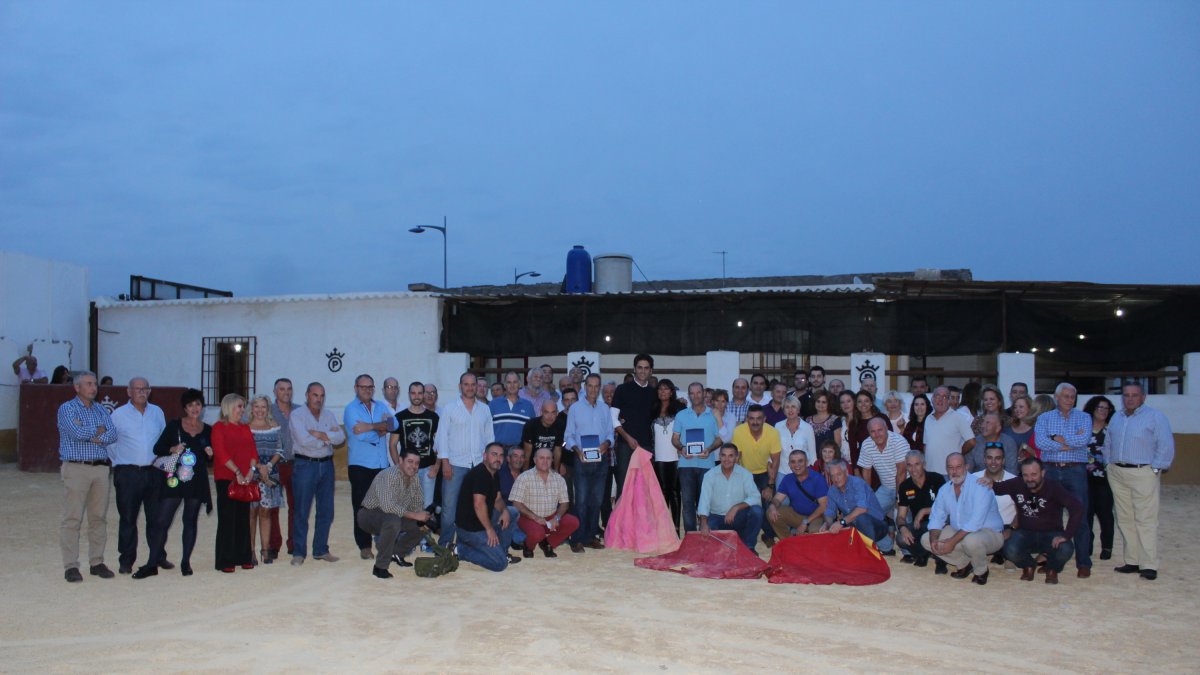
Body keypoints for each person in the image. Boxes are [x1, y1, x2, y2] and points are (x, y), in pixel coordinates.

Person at [134, 388, 212, 579]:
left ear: (202, 407)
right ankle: (152, 563)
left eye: (198, 404)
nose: (195, 408)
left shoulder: (208, 429)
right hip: (174, 480)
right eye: (191, 405)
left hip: (196, 480)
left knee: (190, 521)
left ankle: (185, 562)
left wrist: (210, 454)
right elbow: (157, 448)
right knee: (162, 521)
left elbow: (208, 460)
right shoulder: (174, 426)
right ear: (185, 407)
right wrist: (172, 448)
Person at [1107, 382, 1174, 581]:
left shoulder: (1155, 417)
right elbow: (1109, 442)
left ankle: (1148, 564)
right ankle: (1132, 560)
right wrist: (1108, 464)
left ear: (1143, 397)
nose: (1130, 398)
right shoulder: (1117, 417)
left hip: (1142, 471)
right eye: (1126, 395)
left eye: (1134, 395)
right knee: (1124, 517)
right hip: (1117, 472)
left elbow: (1165, 444)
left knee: (1145, 518)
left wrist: (1155, 468)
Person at [56, 371, 118, 582]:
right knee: (72, 518)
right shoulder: (67, 408)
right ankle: (71, 565)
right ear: (77, 387)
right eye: (88, 384)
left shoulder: (101, 409)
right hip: (76, 468)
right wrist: (97, 432)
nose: (93, 388)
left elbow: (112, 434)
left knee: (98, 517)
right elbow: (76, 433)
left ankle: (96, 561)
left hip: (100, 468)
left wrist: (93, 433)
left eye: (94, 384)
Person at [989, 457, 1084, 585]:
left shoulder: (1054, 487)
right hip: (1025, 532)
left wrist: (1067, 535)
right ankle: (1029, 565)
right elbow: (997, 488)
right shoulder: (1017, 483)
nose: (1029, 479)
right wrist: (987, 482)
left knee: (1066, 548)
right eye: (1025, 475)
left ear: (1043, 473)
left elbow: (1076, 508)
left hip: (1051, 533)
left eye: (1034, 474)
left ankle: (1052, 569)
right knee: (1009, 547)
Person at [108, 377, 168, 574]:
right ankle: (126, 561)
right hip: (128, 474)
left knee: (156, 518)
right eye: (138, 389)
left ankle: (158, 556)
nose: (142, 392)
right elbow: (110, 443)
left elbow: (163, 441)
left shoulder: (157, 412)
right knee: (127, 519)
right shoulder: (118, 415)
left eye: (145, 389)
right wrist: (123, 464)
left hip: (153, 472)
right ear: (129, 392)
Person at [1033, 382, 1094, 578]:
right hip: (1050, 470)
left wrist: (1058, 439)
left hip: (1075, 471)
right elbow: (1041, 443)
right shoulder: (1044, 418)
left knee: (1080, 516)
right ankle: (1052, 560)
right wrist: (1067, 443)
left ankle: (1083, 563)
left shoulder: (1085, 417)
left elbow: (1082, 441)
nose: (1070, 400)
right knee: (1051, 517)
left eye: (1073, 396)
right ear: (1056, 397)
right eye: (1066, 396)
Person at [921, 453, 1004, 584]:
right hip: (961, 532)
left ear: (966, 467)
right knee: (926, 539)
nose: (954, 471)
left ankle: (981, 571)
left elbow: (975, 523)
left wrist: (951, 542)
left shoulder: (980, 486)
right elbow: (936, 517)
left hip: (989, 533)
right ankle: (964, 564)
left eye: (958, 467)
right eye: (950, 467)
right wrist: (934, 540)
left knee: (971, 540)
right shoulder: (944, 490)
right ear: (946, 469)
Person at [289, 382, 346, 565]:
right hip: (305, 465)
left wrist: (320, 434)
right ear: (307, 395)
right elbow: (303, 441)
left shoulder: (328, 415)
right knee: (301, 510)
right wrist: (327, 438)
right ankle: (299, 552)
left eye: (321, 396)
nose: (318, 399)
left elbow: (341, 438)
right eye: (315, 395)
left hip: (326, 466)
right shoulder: (297, 415)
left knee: (326, 510)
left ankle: (321, 549)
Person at [434, 372, 494, 547]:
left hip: (479, 466)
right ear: (460, 387)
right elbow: (442, 437)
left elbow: (490, 437)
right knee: (449, 509)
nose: (470, 387)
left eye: (473, 384)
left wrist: (488, 464)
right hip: (455, 465)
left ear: (477, 386)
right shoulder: (450, 408)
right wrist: (445, 462)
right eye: (466, 384)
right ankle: (445, 544)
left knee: (473, 507)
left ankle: (467, 543)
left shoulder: (485, 409)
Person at [344, 374, 398, 560]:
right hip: (360, 465)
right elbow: (360, 436)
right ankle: (364, 545)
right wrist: (380, 429)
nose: (367, 389)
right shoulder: (350, 409)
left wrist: (371, 426)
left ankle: (382, 540)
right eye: (363, 386)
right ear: (356, 387)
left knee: (383, 505)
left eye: (370, 386)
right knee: (361, 506)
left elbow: (394, 424)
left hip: (381, 464)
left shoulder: (381, 406)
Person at [357, 449, 430, 578]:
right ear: (400, 460)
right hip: (369, 515)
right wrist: (414, 515)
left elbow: (417, 503)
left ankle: (397, 554)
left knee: (422, 526)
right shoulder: (388, 475)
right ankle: (380, 567)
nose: (413, 466)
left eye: (417, 463)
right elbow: (387, 506)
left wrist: (423, 518)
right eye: (410, 462)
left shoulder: (414, 478)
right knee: (393, 521)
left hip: (395, 514)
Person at [565, 373, 614, 553]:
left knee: (597, 500)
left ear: (599, 388)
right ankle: (576, 538)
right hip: (582, 461)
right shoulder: (575, 408)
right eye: (590, 386)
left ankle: (590, 536)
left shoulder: (604, 409)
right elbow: (568, 436)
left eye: (596, 386)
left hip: (601, 462)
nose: (593, 389)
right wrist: (577, 451)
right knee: (582, 501)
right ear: (585, 387)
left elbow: (610, 433)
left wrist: (606, 444)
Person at [210, 393, 258, 573]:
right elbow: (221, 454)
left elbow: (253, 452)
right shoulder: (218, 428)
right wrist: (237, 472)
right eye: (239, 406)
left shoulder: (245, 428)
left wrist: (250, 472)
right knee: (227, 519)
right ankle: (225, 559)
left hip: (245, 479)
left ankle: (243, 557)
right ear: (229, 407)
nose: (242, 410)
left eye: (243, 406)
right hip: (226, 478)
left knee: (242, 518)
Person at [455, 442, 521, 571]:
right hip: (470, 530)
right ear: (485, 456)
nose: (498, 459)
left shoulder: (494, 473)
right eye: (494, 454)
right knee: (500, 564)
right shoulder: (480, 474)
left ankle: (502, 551)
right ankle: (461, 550)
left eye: (501, 455)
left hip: (483, 520)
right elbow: (478, 504)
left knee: (512, 512)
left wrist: (504, 510)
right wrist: (489, 529)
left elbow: (497, 499)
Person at [511, 447, 579, 558]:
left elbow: (564, 504)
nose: (545, 461)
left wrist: (556, 518)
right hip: (528, 517)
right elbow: (516, 504)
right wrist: (534, 517)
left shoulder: (559, 479)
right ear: (534, 460)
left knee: (573, 522)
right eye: (541, 458)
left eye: (548, 458)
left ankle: (548, 543)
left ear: (552, 460)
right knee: (537, 533)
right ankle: (528, 546)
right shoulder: (524, 477)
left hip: (551, 517)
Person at [672, 382, 722, 532]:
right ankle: (690, 537)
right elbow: (674, 438)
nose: (695, 396)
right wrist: (681, 448)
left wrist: (709, 449)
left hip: (707, 464)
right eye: (692, 393)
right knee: (687, 504)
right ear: (688, 395)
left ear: (703, 393)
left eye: (698, 392)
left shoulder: (713, 415)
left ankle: (705, 534)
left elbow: (720, 438)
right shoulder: (681, 415)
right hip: (686, 465)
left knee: (705, 503)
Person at [698, 444, 764, 553]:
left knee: (757, 511)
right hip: (717, 517)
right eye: (723, 455)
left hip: (738, 517)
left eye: (730, 456)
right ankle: (733, 539)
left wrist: (736, 507)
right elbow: (704, 501)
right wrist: (703, 523)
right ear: (719, 456)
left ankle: (749, 547)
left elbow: (756, 497)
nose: (726, 459)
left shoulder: (745, 474)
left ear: (736, 457)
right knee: (710, 546)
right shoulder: (709, 475)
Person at [856, 416, 908, 554]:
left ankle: (908, 551)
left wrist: (899, 498)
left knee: (903, 517)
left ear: (887, 429)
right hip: (885, 487)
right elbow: (866, 472)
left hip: (905, 486)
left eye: (880, 430)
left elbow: (901, 473)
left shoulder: (898, 442)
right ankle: (886, 546)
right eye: (873, 431)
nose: (877, 434)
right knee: (867, 514)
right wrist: (868, 498)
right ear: (869, 433)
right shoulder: (867, 444)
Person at [732, 405, 782, 546]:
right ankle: (743, 537)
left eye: (759, 418)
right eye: (751, 418)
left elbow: (775, 460)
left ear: (764, 419)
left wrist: (770, 486)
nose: (755, 422)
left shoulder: (773, 432)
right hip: (745, 473)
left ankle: (769, 535)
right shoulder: (738, 432)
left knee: (768, 503)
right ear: (747, 419)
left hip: (765, 472)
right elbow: (736, 458)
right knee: (746, 506)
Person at [612, 354, 657, 505]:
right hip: (626, 446)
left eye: (646, 368)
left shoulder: (653, 393)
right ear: (634, 369)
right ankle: (619, 527)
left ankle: (642, 526)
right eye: (640, 368)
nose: (643, 371)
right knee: (624, 487)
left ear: (651, 371)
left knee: (644, 490)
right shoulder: (622, 389)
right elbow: (613, 419)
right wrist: (627, 437)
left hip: (646, 447)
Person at [820, 459, 891, 552]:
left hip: (876, 523)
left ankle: (869, 550)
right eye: (832, 476)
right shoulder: (832, 490)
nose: (836, 479)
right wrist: (827, 524)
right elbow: (829, 512)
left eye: (839, 474)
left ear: (846, 472)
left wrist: (841, 523)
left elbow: (862, 509)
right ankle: (859, 549)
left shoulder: (857, 483)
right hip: (853, 525)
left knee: (860, 518)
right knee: (833, 525)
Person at [390, 382, 439, 510]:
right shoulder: (399, 417)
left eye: (419, 393)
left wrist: (436, 466)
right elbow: (392, 444)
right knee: (407, 506)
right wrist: (398, 467)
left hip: (429, 468)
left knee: (428, 506)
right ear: (408, 395)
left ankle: (426, 530)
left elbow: (440, 444)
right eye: (413, 393)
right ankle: (409, 530)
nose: (416, 396)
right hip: (408, 470)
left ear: (423, 394)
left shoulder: (433, 417)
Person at [247, 395, 284, 565]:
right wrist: (258, 467)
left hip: (270, 473)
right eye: (257, 406)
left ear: (267, 409)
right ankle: (250, 551)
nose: (260, 410)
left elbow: (279, 450)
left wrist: (268, 466)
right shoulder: (245, 427)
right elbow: (243, 451)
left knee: (266, 512)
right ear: (251, 408)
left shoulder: (275, 426)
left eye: (263, 407)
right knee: (251, 513)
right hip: (251, 474)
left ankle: (266, 550)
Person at [266, 378, 298, 562]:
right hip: (274, 464)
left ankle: (293, 544)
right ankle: (273, 546)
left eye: (289, 389)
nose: (286, 392)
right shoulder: (267, 411)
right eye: (282, 389)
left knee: (296, 506)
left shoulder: (300, 410)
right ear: (275, 391)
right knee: (273, 507)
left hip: (295, 464)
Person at [1081, 395, 1116, 562]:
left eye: (1106, 408)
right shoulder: (1082, 428)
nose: (1103, 411)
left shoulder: (1112, 430)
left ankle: (1107, 547)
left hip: (1105, 479)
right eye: (1099, 407)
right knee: (1086, 514)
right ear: (1092, 409)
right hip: (1084, 478)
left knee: (1105, 514)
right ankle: (1086, 546)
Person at [896, 451, 945, 567]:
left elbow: (946, 507)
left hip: (939, 523)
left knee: (939, 533)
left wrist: (924, 511)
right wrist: (902, 528)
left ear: (924, 464)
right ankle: (924, 553)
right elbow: (901, 516)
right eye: (909, 465)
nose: (913, 469)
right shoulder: (904, 486)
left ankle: (937, 558)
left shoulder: (937, 479)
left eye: (917, 464)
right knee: (901, 539)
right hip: (920, 525)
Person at [971, 440, 1016, 565]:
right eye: (990, 458)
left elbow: (1021, 511)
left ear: (1004, 460)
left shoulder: (1014, 481)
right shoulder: (973, 479)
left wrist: (1011, 529)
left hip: (1006, 527)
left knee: (1013, 549)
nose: (993, 462)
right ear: (984, 459)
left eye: (998, 458)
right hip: (981, 526)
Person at [767, 450, 828, 538]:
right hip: (797, 515)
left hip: (816, 516)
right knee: (771, 513)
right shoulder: (788, 479)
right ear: (789, 465)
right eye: (793, 462)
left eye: (800, 461)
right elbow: (777, 499)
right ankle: (789, 542)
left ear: (807, 462)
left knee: (815, 532)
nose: (797, 465)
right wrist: (772, 506)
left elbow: (823, 506)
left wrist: (805, 522)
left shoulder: (817, 478)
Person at [650, 378, 684, 531]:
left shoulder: (680, 409)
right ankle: (664, 529)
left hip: (676, 457)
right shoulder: (652, 409)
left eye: (666, 389)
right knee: (662, 493)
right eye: (660, 389)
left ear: (672, 391)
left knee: (676, 493)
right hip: (659, 458)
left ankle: (676, 528)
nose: (663, 392)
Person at [922, 386, 975, 479]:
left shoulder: (958, 417)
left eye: (945, 397)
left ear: (948, 401)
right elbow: (926, 444)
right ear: (932, 399)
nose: (940, 400)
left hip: (948, 473)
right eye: (937, 396)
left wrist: (959, 453)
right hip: (929, 472)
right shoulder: (928, 418)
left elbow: (972, 442)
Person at [489, 371, 536, 454]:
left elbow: (532, 432)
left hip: (519, 453)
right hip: (498, 452)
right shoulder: (493, 404)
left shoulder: (528, 406)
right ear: (504, 385)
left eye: (515, 382)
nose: (512, 385)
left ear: (520, 384)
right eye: (509, 382)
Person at [775, 396, 817, 467]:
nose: (790, 410)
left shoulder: (807, 428)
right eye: (787, 407)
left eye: (793, 406)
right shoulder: (778, 426)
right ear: (783, 411)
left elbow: (812, 455)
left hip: (803, 471)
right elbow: (774, 451)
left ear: (798, 410)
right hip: (782, 471)